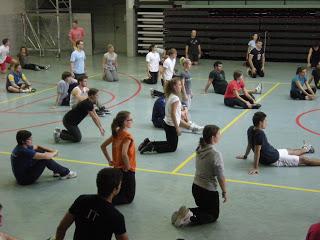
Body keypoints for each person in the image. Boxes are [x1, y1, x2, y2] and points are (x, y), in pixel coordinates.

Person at [171, 125, 227, 227]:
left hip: (196, 188)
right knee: (213, 215)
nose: (220, 135)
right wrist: (224, 191)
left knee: (204, 209)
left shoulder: (199, 148)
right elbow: (220, 176)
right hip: (208, 191)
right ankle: (189, 217)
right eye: (219, 134)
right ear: (212, 138)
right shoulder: (215, 154)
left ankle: (182, 213)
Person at [55, 168, 129, 240]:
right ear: (115, 189)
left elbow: (62, 228)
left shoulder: (81, 200)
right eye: (120, 184)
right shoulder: (116, 216)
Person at [237, 111, 320, 175]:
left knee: (291, 151)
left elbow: (249, 143)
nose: (267, 122)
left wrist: (245, 156)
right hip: (274, 159)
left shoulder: (250, 129)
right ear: (260, 122)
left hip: (273, 151)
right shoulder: (260, 134)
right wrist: (255, 168)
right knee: (304, 160)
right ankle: (306, 150)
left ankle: (306, 148)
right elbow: (257, 152)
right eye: (265, 120)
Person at [139, 77, 202, 154]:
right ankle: (152, 147)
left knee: (169, 143)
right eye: (179, 85)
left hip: (167, 123)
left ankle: (148, 143)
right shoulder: (175, 99)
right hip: (171, 125)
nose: (181, 86)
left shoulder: (170, 95)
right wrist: (177, 128)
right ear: (174, 87)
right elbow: (173, 113)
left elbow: (176, 115)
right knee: (172, 147)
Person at [10, 130, 76, 185]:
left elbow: (37, 147)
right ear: (23, 141)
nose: (31, 140)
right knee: (45, 159)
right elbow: (46, 156)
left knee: (40, 150)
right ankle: (66, 173)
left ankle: (56, 171)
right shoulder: (23, 151)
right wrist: (55, 152)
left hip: (24, 173)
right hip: (25, 180)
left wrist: (51, 151)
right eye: (29, 139)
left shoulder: (21, 146)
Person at [100, 111, 136, 205]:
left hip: (116, 170)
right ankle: (104, 202)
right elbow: (124, 154)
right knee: (129, 198)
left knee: (120, 191)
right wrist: (128, 167)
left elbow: (103, 146)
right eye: (130, 120)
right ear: (124, 122)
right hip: (127, 170)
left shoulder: (116, 133)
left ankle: (106, 198)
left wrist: (109, 160)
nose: (132, 121)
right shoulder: (127, 136)